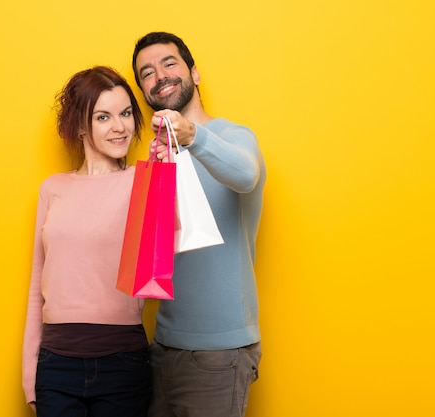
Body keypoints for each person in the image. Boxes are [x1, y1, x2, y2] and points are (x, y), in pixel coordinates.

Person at [131, 32, 266, 417]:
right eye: (147, 73)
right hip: (163, 347)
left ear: (194, 73)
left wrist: (194, 137)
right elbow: (153, 252)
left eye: (169, 63)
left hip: (219, 352)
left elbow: (246, 175)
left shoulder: (234, 136)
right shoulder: (160, 156)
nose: (160, 75)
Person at [22, 66, 152, 417]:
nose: (120, 126)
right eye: (103, 116)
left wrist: (165, 174)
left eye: (125, 113)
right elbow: (39, 282)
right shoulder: (53, 189)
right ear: (81, 125)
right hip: (56, 364)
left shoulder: (145, 181)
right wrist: (30, 370)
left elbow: (166, 254)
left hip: (123, 361)